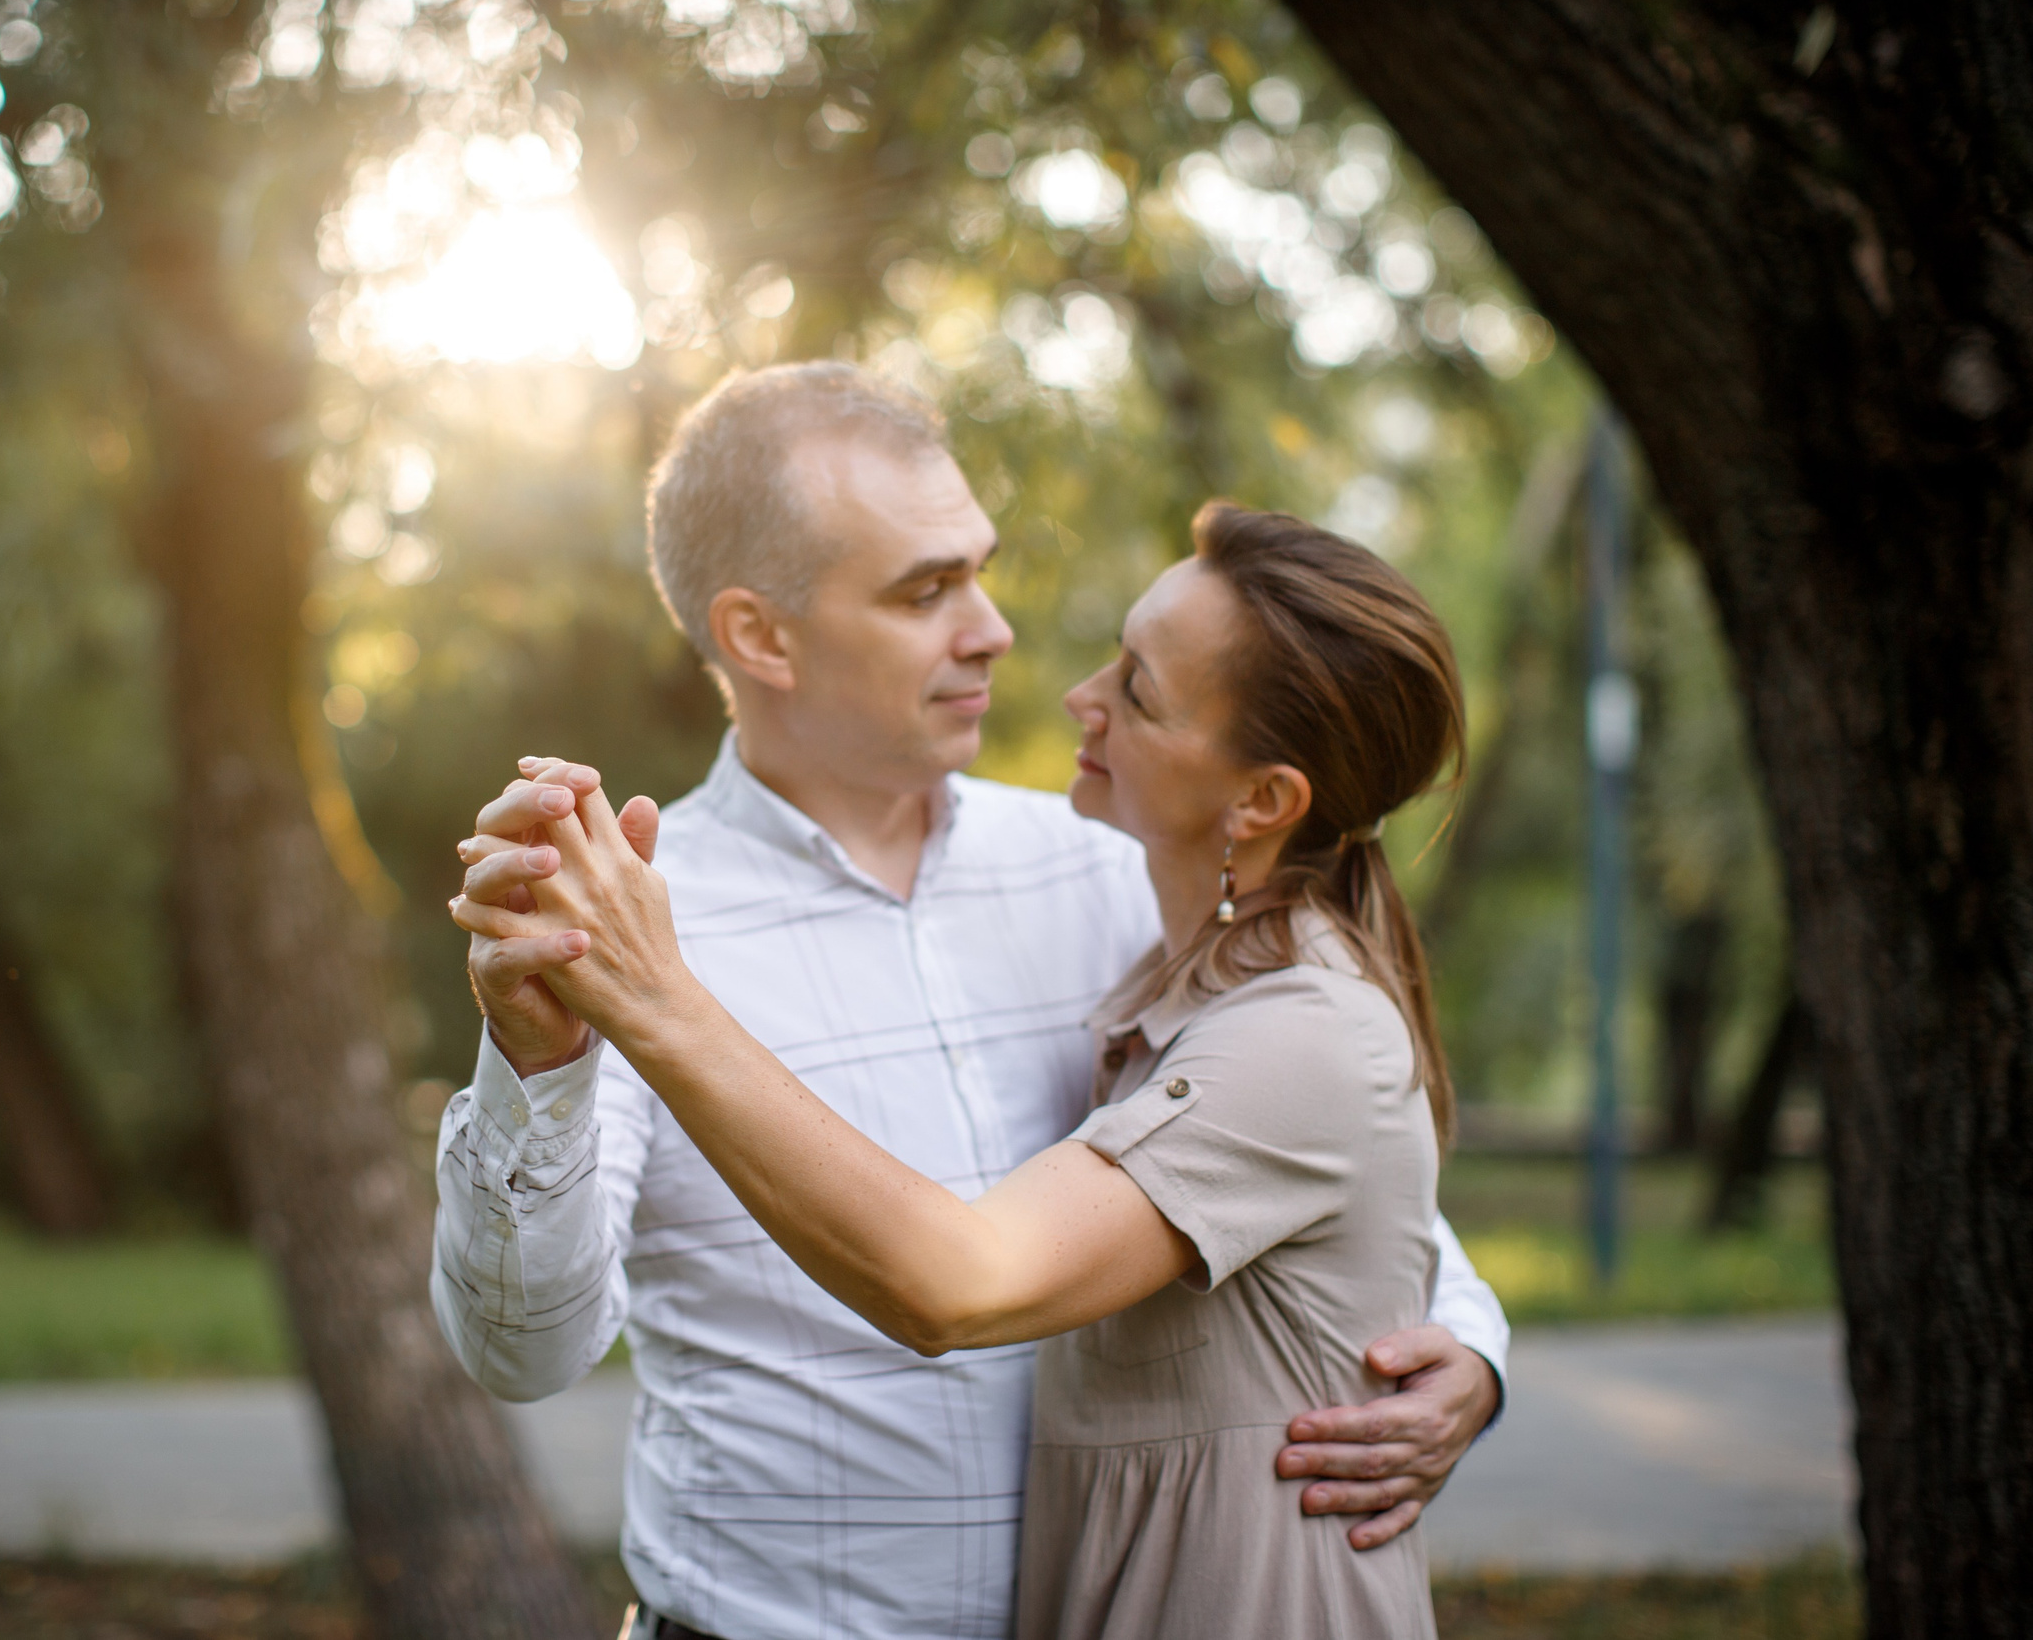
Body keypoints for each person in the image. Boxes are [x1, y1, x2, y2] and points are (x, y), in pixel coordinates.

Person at [431, 364, 1505, 1640]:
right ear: (760, 637)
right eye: (924, 591)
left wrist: (1465, 1347)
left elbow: (1308, 1162)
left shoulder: (1115, 865)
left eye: (979, 573)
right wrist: (536, 1069)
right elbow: (523, 1354)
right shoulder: (634, 923)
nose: (992, 629)